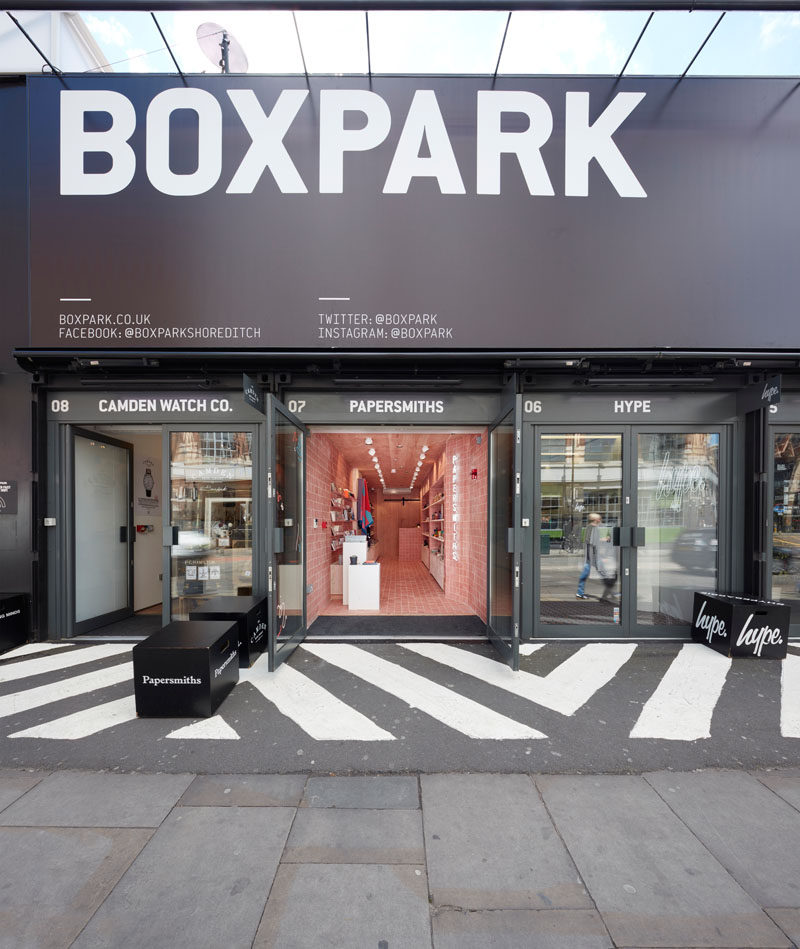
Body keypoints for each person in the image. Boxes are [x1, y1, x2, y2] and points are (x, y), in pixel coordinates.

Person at [576, 513, 603, 599]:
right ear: (596, 520)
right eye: (599, 519)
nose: (600, 520)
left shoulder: (590, 527)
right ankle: (580, 592)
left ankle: (580, 592)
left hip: (591, 556)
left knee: (603, 573)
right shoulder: (592, 528)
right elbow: (591, 542)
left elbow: (591, 541)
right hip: (592, 556)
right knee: (604, 573)